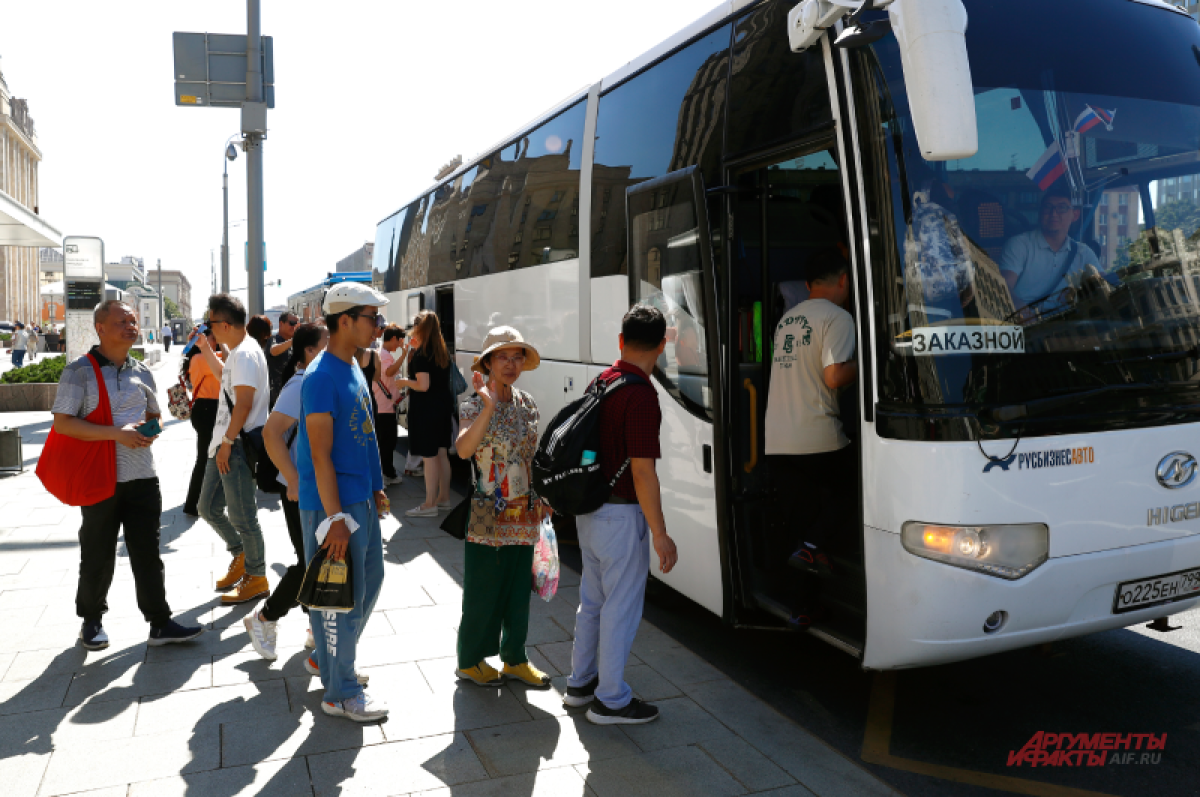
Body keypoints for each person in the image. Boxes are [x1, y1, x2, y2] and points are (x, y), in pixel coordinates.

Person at [51, 300, 203, 650]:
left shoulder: (142, 370)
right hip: (100, 477)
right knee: (98, 552)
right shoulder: (79, 371)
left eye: (133, 320)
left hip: (143, 476)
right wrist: (117, 434)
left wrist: (151, 428)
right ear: (100, 328)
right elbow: (63, 423)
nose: (131, 325)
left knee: (148, 552)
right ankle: (91, 621)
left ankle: (160, 622)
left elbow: (156, 414)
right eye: (122, 321)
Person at [565, 305, 679, 726]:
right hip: (621, 517)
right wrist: (661, 533)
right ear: (662, 345)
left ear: (620, 341)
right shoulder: (642, 395)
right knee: (621, 608)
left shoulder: (604, 381)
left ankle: (580, 684)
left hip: (590, 512)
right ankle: (611, 700)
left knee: (592, 603)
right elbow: (643, 470)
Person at [294, 282, 390, 722]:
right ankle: (341, 693)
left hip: (359, 499)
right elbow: (319, 454)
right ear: (345, 320)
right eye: (374, 318)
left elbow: (364, 435)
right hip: (332, 506)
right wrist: (334, 517)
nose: (380, 326)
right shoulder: (320, 377)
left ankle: (331, 663)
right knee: (339, 597)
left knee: (368, 583)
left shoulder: (352, 366)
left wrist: (375, 486)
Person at [454, 327, 553, 689]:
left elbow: (531, 457)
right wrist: (490, 405)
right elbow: (464, 450)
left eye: (517, 357)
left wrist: (541, 498)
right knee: (483, 588)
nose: (511, 364)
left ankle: (515, 657)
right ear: (488, 363)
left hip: (524, 509)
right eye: (502, 357)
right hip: (487, 510)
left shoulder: (527, 403)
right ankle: (469, 660)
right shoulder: (473, 403)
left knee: (516, 588)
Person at [763, 250, 857, 629]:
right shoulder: (838, 317)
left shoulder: (788, 319)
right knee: (853, 486)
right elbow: (834, 376)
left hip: (778, 440)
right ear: (843, 281)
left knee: (802, 524)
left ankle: (804, 607)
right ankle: (816, 547)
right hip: (817, 437)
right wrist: (866, 363)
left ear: (807, 285)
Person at [246, 322, 329, 660]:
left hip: (317, 487)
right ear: (309, 352)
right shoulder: (300, 385)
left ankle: (316, 627)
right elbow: (270, 434)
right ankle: (264, 618)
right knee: (309, 563)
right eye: (326, 344)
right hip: (300, 490)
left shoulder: (320, 380)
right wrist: (292, 478)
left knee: (317, 558)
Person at [196, 294, 272, 604]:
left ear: (225, 324)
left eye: (211, 323)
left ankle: (256, 576)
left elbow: (243, 405)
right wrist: (206, 350)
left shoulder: (245, 356)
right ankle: (241, 555)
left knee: (244, 518)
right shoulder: (240, 353)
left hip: (235, 445)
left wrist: (227, 443)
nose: (209, 329)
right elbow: (225, 382)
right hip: (223, 442)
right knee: (207, 508)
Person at [1000, 187, 1101, 311]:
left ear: (1075, 215)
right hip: (1024, 321)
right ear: (1040, 212)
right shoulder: (1019, 245)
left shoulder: (1083, 253)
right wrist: (1020, 308)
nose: (1053, 213)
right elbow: (1004, 287)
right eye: (1048, 207)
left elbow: (1104, 285)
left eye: (1062, 208)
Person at [396, 310, 453, 517]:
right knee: (441, 453)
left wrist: (403, 382)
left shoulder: (422, 354)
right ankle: (444, 498)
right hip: (443, 406)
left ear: (420, 328)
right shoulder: (441, 351)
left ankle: (430, 504)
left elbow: (423, 385)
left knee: (429, 457)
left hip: (427, 408)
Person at [182, 325, 223, 517]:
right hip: (208, 409)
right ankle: (193, 504)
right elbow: (228, 366)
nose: (216, 342)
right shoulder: (201, 358)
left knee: (208, 456)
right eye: (214, 338)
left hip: (208, 408)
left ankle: (200, 501)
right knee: (204, 458)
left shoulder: (201, 357)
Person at [374, 325, 407, 485]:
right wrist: (404, 355)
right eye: (400, 340)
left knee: (386, 442)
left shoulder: (382, 353)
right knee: (387, 442)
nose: (400, 344)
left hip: (382, 405)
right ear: (393, 338)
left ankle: (386, 472)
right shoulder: (384, 354)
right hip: (384, 406)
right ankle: (387, 474)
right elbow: (389, 372)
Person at [267, 312, 298, 406]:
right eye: (292, 323)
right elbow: (273, 350)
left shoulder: (294, 343)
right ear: (281, 324)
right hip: (276, 397)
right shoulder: (273, 339)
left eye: (297, 324)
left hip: (292, 394)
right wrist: (294, 340)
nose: (294, 327)